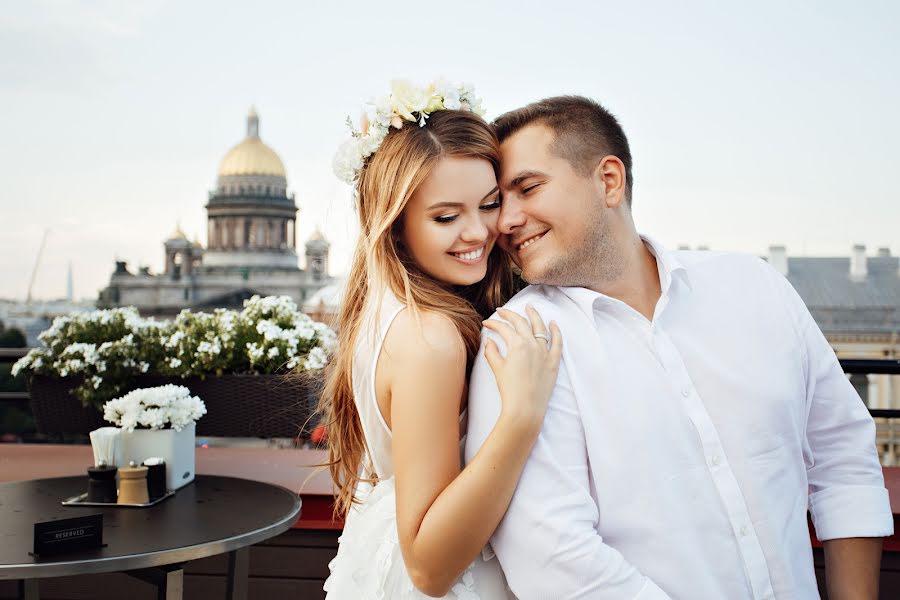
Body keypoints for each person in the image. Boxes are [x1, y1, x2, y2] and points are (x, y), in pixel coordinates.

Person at [464, 95, 894, 599]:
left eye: (528, 189)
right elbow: (552, 558)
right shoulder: (517, 342)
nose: (504, 221)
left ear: (608, 180)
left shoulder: (756, 286)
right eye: (498, 202)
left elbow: (843, 457)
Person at [321, 80, 562, 599]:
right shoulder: (431, 339)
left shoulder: (385, 308)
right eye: (446, 217)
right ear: (396, 224)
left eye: (490, 204)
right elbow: (429, 568)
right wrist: (522, 416)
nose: (478, 232)